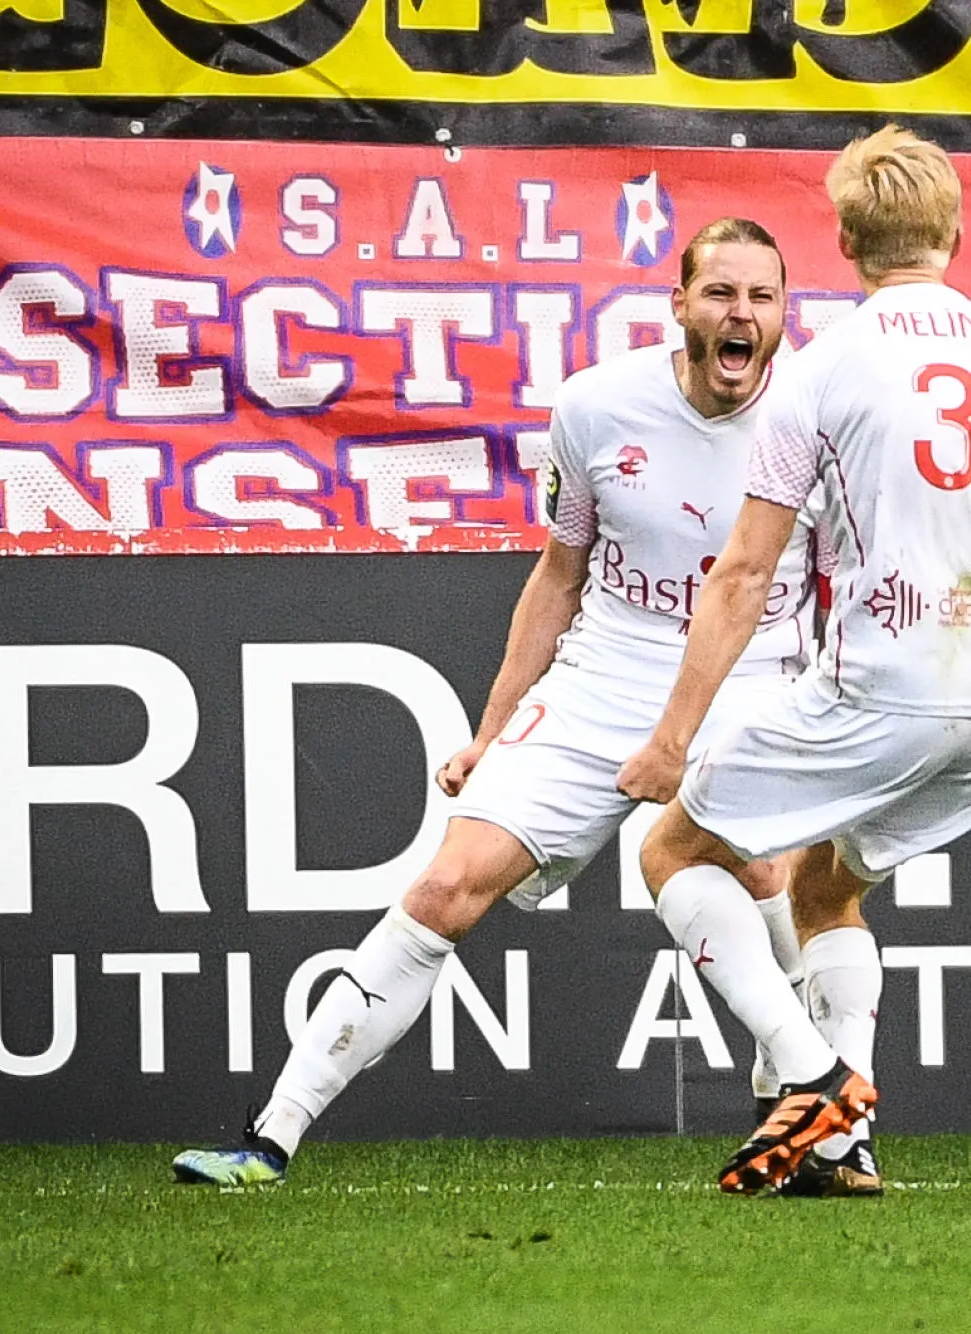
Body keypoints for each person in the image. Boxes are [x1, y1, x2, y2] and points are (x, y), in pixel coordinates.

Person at [173, 218, 828, 1186]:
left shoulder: (822, 410)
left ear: (784, 311)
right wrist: (489, 732)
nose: (741, 315)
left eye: (761, 297)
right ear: (678, 304)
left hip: (754, 677)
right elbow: (557, 575)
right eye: (721, 294)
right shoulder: (596, 407)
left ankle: (807, 1100)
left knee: (770, 879)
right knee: (446, 884)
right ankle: (268, 1135)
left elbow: (849, 573)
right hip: (605, 674)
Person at [617, 125, 971, 1196]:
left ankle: (811, 1080)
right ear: (951, 228)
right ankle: (845, 1142)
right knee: (823, 887)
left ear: (845, 238)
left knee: (669, 853)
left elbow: (744, 572)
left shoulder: (821, 369)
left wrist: (672, 735)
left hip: (884, 687)